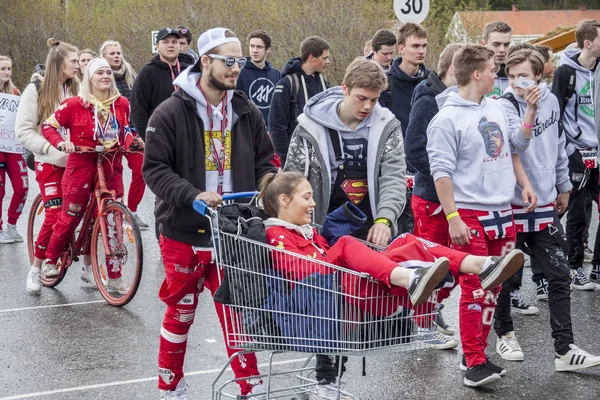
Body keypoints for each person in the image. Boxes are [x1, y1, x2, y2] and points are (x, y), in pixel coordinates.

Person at [259, 171, 525, 397]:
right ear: (284, 200)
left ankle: (481, 266)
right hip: (317, 304)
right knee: (346, 244)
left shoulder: (310, 232)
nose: (313, 203)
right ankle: (413, 277)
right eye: (306, 197)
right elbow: (304, 274)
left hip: (345, 296)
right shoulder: (275, 234)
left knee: (408, 241)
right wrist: (347, 263)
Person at [142, 27, 277, 399]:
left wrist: (269, 182)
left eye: (239, 61)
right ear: (206, 62)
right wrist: (191, 195)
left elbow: (267, 159)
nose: (237, 68)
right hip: (184, 230)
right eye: (229, 60)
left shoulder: (246, 109)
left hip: (234, 231)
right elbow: (154, 169)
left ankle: (249, 387)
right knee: (182, 312)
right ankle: (170, 385)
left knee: (238, 314)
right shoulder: (170, 111)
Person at [427, 44, 538, 387]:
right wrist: (452, 217)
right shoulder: (446, 118)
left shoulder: (497, 106)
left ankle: (473, 353)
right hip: (470, 214)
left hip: (504, 212)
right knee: (474, 289)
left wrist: (531, 112)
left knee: (494, 288)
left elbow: (516, 147)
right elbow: (440, 172)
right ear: (476, 74)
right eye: (492, 69)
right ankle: (475, 363)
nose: (497, 74)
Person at [498, 48, 600, 372]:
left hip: (544, 204)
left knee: (558, 274)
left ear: (539, 76)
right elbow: (518, 144)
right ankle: (504, 333)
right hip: (511, 204)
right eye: (511, 76)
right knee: (503, 275)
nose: (516, 82)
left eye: (523, 75)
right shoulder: (505, 104)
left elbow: (556, 145)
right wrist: (529, 109)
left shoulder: (552, 101)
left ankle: (565, 350)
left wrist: (565, 186)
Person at [38, 58, 139, 294]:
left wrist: (133, 143)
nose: (105, 76)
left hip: (111, 165)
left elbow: (125, 131)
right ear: (89, 78)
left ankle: (115, 276)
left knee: (112, 220)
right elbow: (48, 126)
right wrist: (62, 143)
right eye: (100, 73)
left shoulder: (122, 103)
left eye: (108, 73)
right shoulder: (75, 104)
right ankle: (50, 260)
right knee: (70, 214)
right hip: (82, 164)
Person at [406, 43, 463, 337]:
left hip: (454, 198)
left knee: (453, 266)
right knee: (431, 265)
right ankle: (422, 323)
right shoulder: (428, 100)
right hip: (430, 198)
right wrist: (444, 177)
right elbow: (413, 150)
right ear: (454, 68)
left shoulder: (462, 101)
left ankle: (431, 313)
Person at [15, 39, 81, 293]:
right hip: (47, 160)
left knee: (80, 212)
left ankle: (90, 267)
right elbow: (23, 131)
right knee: (54, 215)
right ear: (59, 63)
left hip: (77, 161)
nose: (77, 66)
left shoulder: (78, 89)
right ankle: (36, 268)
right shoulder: (36, 89)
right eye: (73, 61)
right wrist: (50, 149)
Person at [553, 19, 600, 290]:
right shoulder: (565, 73)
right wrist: (569, 151)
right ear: (588, 43)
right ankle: (573, 268)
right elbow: (556, 113)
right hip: (577, 152)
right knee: (577, 213)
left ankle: (596, 267)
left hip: (599, 150)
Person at [100, 40, 148, 230]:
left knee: (141, 169)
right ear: (103, 57)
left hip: (131, 131)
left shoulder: (131, 74)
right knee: (111, 174)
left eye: (118, 53)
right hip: (109, 132)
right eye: (112, 54)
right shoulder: (100, 76)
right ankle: (109, 212)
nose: (116, 56)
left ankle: (132, 211)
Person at [269, 36, 331, 165]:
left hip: (322, 157)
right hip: (295, 159)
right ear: (311, 57)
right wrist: (287, 159)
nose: (328, 61)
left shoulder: (325, 84)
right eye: (324, 58)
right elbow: (276, 126)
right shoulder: (287, 84)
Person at [131, 27, 195, 140]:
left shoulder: (190, 72)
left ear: (180, 46)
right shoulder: (148, 73)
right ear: (157, 46)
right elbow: (138, 111)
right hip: (160, 137)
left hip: (189, 136)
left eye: (174, 42)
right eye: (165, 42)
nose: (170, 45)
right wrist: (150, 139)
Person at [0, 55, 28, 244]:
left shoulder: (15, 92)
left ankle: (12, 224)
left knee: (22, 188)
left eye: (9, 69)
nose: (7, 72)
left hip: (13, 146)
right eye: (3, 69)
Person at [236, 30, 281, 122]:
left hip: (269, 131)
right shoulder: (238, 72)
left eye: (259, 47)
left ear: (267, 49)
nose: (254, 50)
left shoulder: (276, 75)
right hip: (246, 128)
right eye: (252, 46)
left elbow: (279, 106)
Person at [481, 21, 512, 99]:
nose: (502, 50)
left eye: (506, 45)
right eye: (496, 44)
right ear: (483, 44)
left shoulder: (513, 75)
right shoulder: (470, 75)